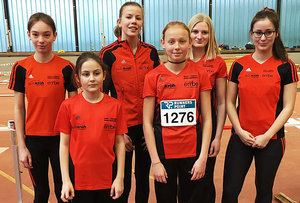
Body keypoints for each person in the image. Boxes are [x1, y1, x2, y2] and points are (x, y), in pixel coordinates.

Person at [222, 7, 298, 203]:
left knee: (264, 192)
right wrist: (238, 129)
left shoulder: (285, 66)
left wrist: (267, 135)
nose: (263, 38)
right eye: (258, 33)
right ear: (251, 33)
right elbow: (230, 102)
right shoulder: (239, 65)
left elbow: (288, 106)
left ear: (276, 33)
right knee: (230, 191)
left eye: (268, 32)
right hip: (241, 138)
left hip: (271, 140)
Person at [8, 12, 77, 203]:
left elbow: (75, 107)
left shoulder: (66, 68)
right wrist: (22, 147)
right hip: (34, 141)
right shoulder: (20, 67)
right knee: (41, 193)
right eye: (36, 34)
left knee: (65, 190)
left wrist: (76, 141)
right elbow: (19, 109)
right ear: (28, 35)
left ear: (55, 35)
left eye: (47, 35)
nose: (41, 40)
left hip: (62, 140)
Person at [143, 21, 212, 203]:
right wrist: (155, 161)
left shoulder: (200, 74)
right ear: (163, 43)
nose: (177, 47)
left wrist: (203, 157)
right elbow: (147, 123)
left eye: (182, 41)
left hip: (193, 152)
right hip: (164, 152)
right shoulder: (153, 77)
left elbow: (207, 118)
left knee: (192, 198)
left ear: (189, 42)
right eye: (171, 42)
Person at [99, 2, 160, 202]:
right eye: (129, 17)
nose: (133, 21)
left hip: (146, 127)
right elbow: (102, 95)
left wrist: (152, 127)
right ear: (120, 21)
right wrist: (118, 131)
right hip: (121, 128)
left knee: (143, 178)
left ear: (142, 23)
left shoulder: (151, 53)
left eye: (138, 18)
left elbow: (158, 92)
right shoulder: (108, 53)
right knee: (120, 179)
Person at [55, 52, 127, 203]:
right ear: (78, 78)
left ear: (104, 75)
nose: (92, 78)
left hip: (108, 180)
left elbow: (120, 143)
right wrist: (66, 180)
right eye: (86, 74)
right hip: (78, 180)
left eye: (96, 73)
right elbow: (64, 144)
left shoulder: (115, 106)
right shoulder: (68, 106)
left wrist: (120, 177)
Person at [187, 13, 227, 202]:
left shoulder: (217, 63)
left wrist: (217, 137)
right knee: (186, 180)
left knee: (205, 179)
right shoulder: (178, 59)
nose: (199, 36)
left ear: (210, 35)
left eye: (204, 31)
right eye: (195, 31)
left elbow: (221, 102)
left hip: (206, 128)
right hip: (183, 131)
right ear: (189, 33)